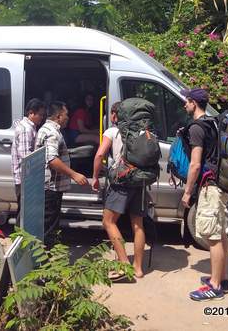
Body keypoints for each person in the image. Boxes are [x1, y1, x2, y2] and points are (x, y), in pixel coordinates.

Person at [179, 88, 228, 301]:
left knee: (213, 237)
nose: (184, 105)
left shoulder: (197, 128)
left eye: (186, 101)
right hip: (220, 183)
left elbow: (195, 164)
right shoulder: (213, 122)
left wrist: (188, 191)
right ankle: (222, 279)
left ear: (193, 102)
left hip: (210, 187)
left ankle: (215, 287)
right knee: (220, 233)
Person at [93, 101, 147, 280]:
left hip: (121, 181)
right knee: (138, 224)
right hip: (139, 181)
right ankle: (138, 268)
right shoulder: (141, 131)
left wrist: (95, 177)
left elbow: (100, 154)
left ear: (116, 115)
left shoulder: (112, 131)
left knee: (108, 222)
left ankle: (124, 265)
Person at [36, 101, 89, 247]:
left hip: (52, 186)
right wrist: (74, 175)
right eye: (66, 115)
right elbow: (52, 159)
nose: (68, 118)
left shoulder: (49, 130)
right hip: (50, 187)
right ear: (59, 116)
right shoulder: (52, 133)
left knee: (50, 224)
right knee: (49, 227)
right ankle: (45, 261)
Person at [11, 98, 46, 223]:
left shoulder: (28, 127)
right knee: (25, 212)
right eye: (40, 114)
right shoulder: (26, 129)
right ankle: (20, 239)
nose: (41, 118)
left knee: (24, 210)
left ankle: (21, 237)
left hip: (25, 177)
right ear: (31, 113)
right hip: (25, 178)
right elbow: (27, 157)